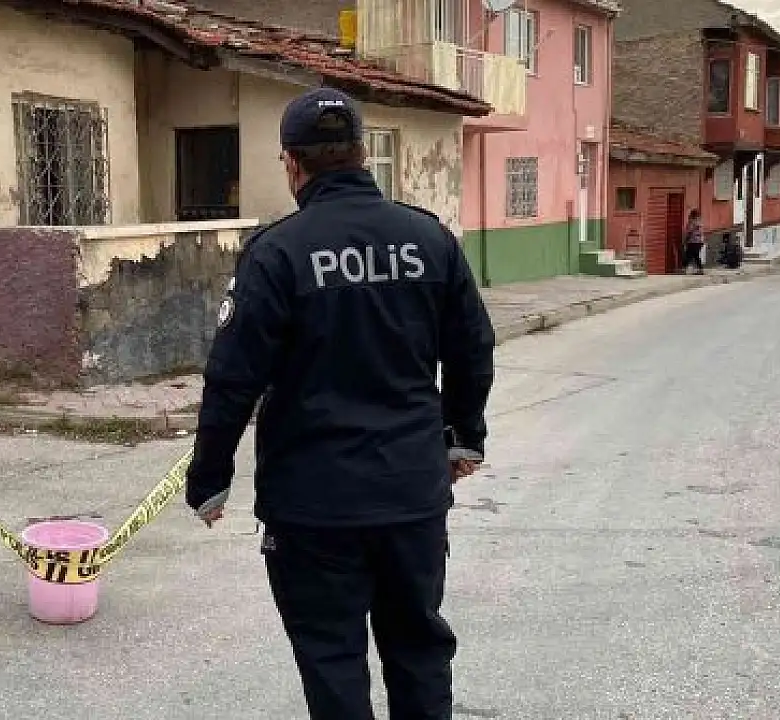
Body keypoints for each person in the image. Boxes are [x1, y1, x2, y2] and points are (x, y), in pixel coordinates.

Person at [185, 87, 496, 720]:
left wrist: (210, 479)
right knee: (418, 648)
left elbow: (233, 379)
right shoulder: (429, 239)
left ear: (292, 164)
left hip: (314, 506)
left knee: (331, 660)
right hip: (411, 494)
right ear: (361, 154)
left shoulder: (277, 252)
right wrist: (464, 434)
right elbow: (472, 347)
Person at [681, 210, 705, 274]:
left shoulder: (691, 222)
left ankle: (684, 269)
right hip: (700, 241)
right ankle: (700, 269)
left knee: (688, 255)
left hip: (693, 241)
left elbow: (689, 232)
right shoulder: (700, 222)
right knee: (695, 255)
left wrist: (685, 240)